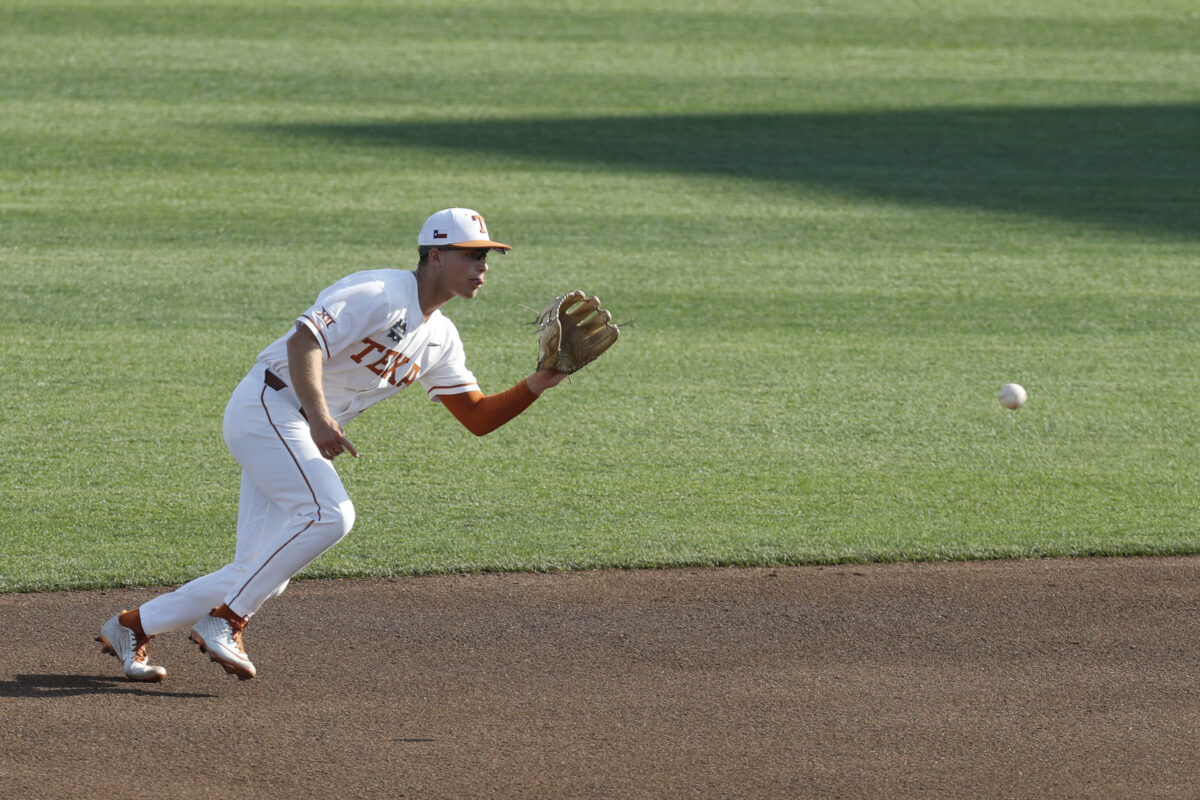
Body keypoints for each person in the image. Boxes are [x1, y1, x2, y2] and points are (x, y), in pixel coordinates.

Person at [97, 207, 568, 681]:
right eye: (472, 254)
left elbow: (476, 416)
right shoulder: (379, 292)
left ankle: (133, 626)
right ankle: (226, 620)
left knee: (261, 570)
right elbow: (304, 342)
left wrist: (539, 382)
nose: (483, 266)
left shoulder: (441, 338)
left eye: (487, 256)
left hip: (295, 425)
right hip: (269, 405)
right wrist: (322, 417)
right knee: (331, 514)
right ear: (436, 256)